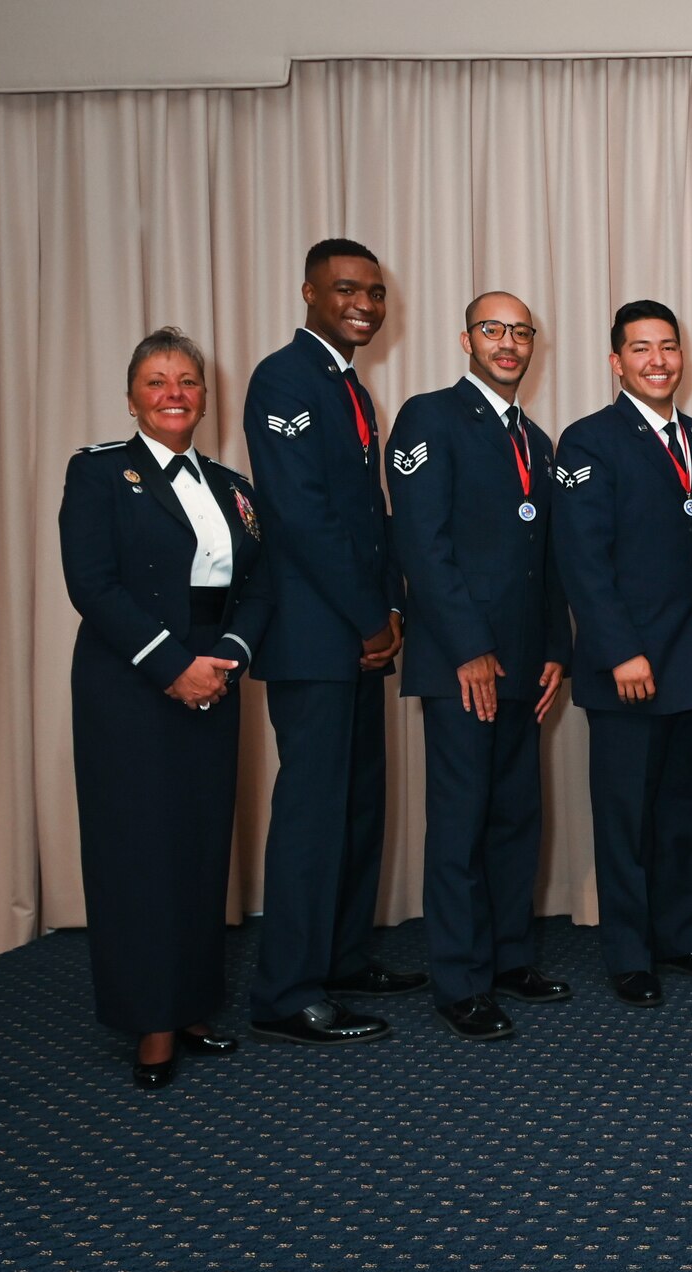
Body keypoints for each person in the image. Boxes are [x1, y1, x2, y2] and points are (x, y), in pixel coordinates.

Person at [59, 328, 269, 1087]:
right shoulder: (99, 476)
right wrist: (171, 664)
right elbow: (92, 584)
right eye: (156, 380)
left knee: (201, 844)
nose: (174, 392)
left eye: (186, 380)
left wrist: (231, 657)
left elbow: (258, 586)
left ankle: (191, 1003)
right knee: (138, 853)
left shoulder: (232, 486)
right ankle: (149, 1018)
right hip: (132, 688)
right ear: (132, 397)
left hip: (213, 683)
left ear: (205, 396)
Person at [244, 238, 426, 1047]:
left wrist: (390, 606)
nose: (364, 303)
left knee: (358, 806)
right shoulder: (284, 379)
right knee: (313, 816)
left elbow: (367, 514)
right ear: (309, 291)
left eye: (375, 292)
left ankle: (343, 956)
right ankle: (288, 988)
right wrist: (367, 617)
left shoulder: (349, 387)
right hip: (318, 637)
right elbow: (301, 517)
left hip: (358, 630)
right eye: (347, 289)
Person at [386, 292, 572, 1040]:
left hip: (527, 663)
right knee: (461, 822)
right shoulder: (430, 418)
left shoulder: (536, 438)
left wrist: (559, 646)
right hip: (464, 662)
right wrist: (468, 648)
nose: (507, 343)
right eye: (492, 330)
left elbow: (546, 558)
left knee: (515, 816)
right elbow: (421, 547)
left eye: (520, 332)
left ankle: (506, 957)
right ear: (465, 336)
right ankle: (460, 979)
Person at [552, 300, 692, 1007]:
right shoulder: (589, 441)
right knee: (625, 815)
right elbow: (583, 559)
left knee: (685, 810)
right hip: (627, 664)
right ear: (616, 360)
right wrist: (621, 650)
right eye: (641, 348)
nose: (657, 360)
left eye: (669, 347)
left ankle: (682, 934)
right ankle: (629, 951)